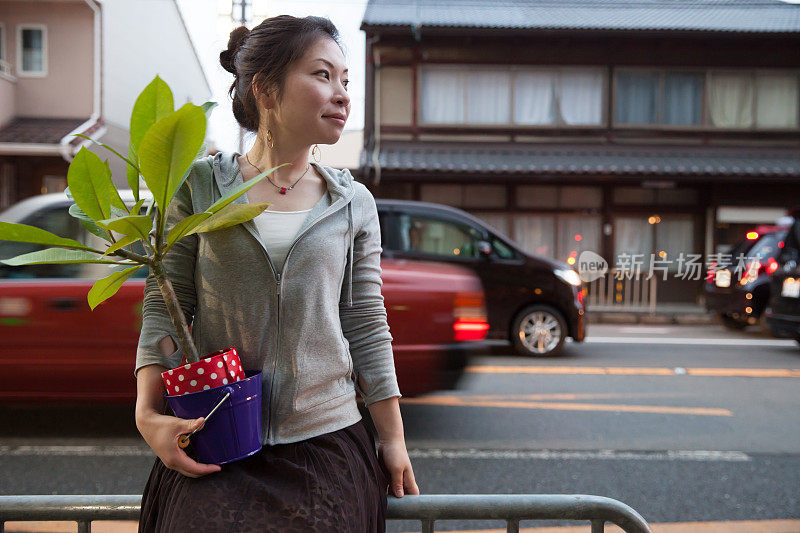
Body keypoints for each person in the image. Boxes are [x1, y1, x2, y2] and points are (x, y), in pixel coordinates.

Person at [133, 15, 419, 532]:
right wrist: (148, 415)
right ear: (266, 89)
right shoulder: (197, 187)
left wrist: (393, 439)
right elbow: (166, 302)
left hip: (327, 442)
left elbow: (367, 324)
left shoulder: (353, 203)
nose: (342, 94)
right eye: (322, 75)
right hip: (217, 432)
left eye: (345, 81)